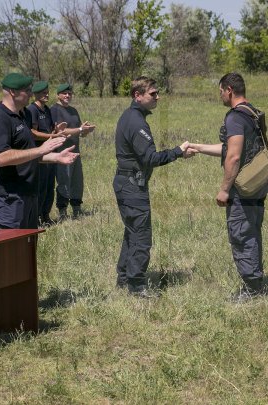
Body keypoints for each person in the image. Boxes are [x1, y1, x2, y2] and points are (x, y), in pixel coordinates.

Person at [188, 73, 268, 302]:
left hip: (242, 189)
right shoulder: (252, 112)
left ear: (229, 90)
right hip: (257, 183)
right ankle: (256, 283)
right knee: (251, 233)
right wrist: (198, 147)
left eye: (221, 91)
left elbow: (233, 157)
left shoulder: (234, 117)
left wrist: (224, 189)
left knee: (241, 234)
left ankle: (252, 289)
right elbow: (229, 148)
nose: (221, 95)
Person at [112, 76, 192, 297]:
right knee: (141, 235)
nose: (157, 96)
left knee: (132, 232)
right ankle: (136, 286)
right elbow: (150, 158)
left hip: (128, 183)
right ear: (137, 96)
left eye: (157, 93)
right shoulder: (136, 121)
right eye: (152, 93)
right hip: (131, 186)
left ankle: (124, 277)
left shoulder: (131, 116)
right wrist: (178, 151)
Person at [0, 73, 78, 229]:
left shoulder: (24, 114)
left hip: (28, 191)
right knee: (11, 250)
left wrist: (55, 157)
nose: (30, 93)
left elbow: (26, 153)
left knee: (28, 250)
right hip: (9, 197)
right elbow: (1, 157)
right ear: (12, 92)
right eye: (26, 90)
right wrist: (40, 150)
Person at [26, 81, 69, 226]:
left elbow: (51, 130)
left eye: (47, 92)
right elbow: (32, 133)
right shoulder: (32, 110)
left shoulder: (47, 110)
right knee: (41, 186)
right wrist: (51, 137)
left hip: (51, 152)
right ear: (36, 95)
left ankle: (46, 215)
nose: (47, 95)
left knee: (50, 186)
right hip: (40, 155)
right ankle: (37, 217)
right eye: (43, 93)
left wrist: (58, 131)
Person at [50, 84, 96, 220]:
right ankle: (62, 211)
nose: (67, 96)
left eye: (69, 93)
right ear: (58, 95)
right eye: (64, 93)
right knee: (64, 181)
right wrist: (80, 130)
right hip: (62, 152)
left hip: (76, 151)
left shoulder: (74, 110)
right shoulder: (54, 110)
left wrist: (85, 131)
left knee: (77, 181)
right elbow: (60, 132)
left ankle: (77, 208)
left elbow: (79, 132)